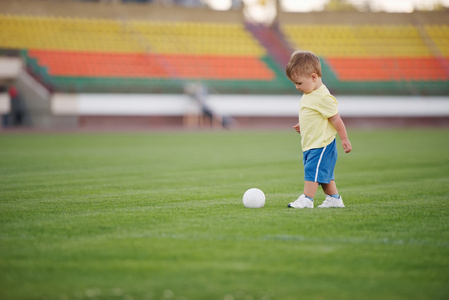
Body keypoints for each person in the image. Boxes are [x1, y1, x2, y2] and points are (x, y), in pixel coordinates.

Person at [285, 50, 352, 208]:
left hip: (321, 144)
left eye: (299, 83)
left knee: (312, 170)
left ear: (313, 77)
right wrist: (304, 124)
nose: (297, 87)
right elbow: (315, 115)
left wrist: (344, 138)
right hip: (311, 143)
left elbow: (335, 118)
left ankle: (307, 199)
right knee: (323, 175)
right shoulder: (310, 94)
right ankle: (334, 199)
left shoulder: (323, 97)